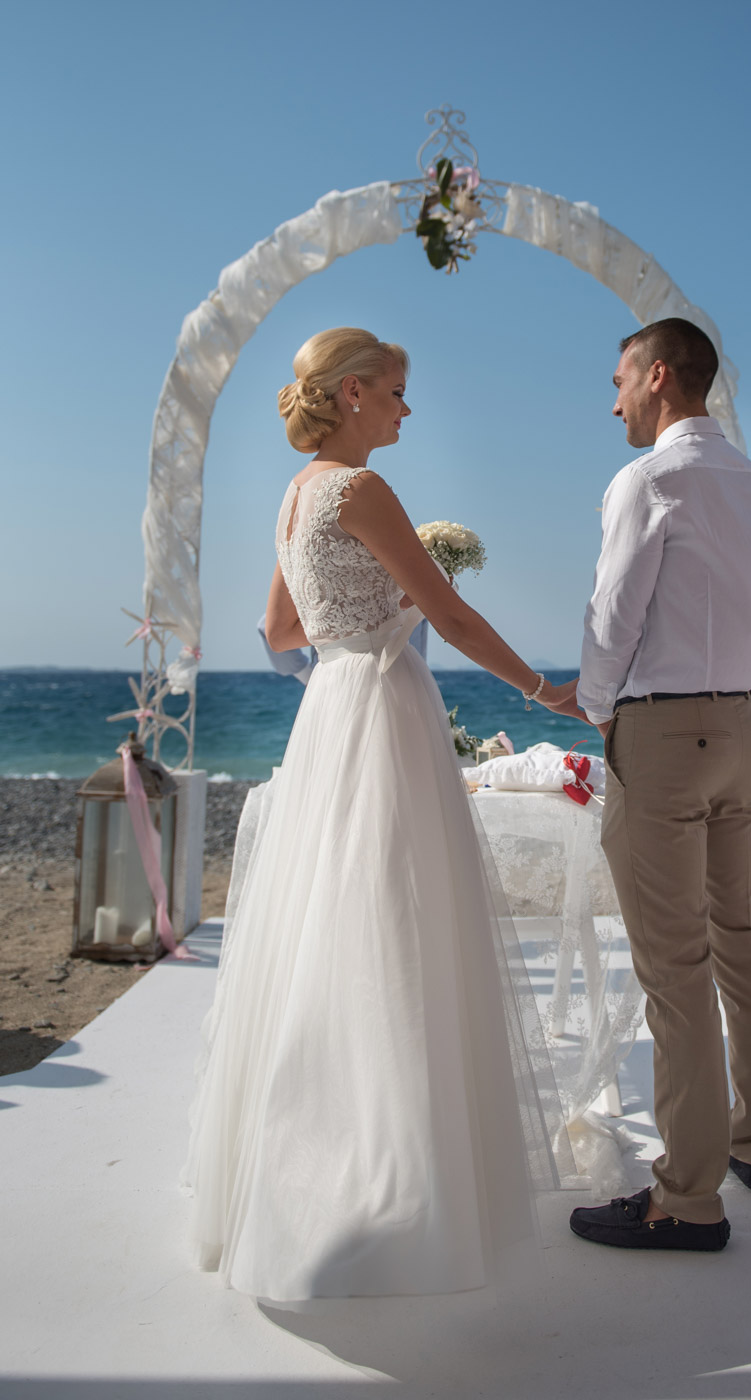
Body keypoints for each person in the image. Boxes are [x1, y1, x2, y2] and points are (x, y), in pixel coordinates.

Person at [184, 326, 579, 1303]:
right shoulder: (360, 491)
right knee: (395, 927)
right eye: (397, 391)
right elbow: (448, 614)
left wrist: (352, 636)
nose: (407, 407)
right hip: (383, 709)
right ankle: (394, 1186)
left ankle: (313, 1180)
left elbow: (279, 629)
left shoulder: (295, 495)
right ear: (353, 392)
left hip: (330, 713)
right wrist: (540, 689)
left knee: (329, 928)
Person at [569, 318, 751, 1253]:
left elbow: (612, 617)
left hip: (662, 732)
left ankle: (685, 1197)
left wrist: (594, 708)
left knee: (674, 966)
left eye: (619, 377)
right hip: (742, 727)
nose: (612, 396)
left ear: (658, 376)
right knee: (739, 937)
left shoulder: (648, 480)